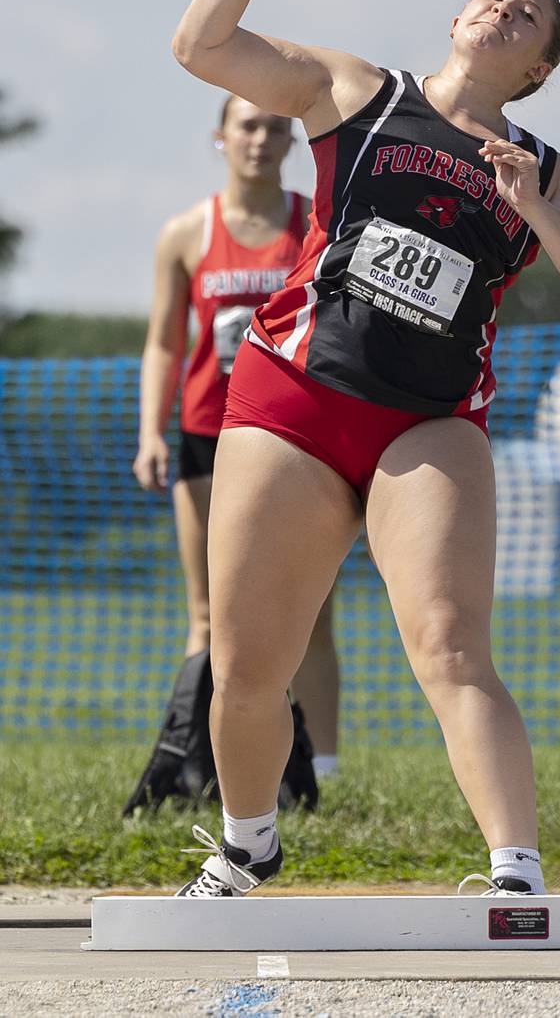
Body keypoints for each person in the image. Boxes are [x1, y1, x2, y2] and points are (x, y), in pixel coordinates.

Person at [169, 0, 560, 897]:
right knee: (250, 667)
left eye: (527, 14)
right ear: (456, 20)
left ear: (538, 69)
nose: (501, 7)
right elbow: (200, 47)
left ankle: (514, 873)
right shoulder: (360, 91)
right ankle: (248, 840)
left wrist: (535, 212)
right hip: (293, 397)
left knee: (450, 644)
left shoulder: (542, 169)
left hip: (426, 424)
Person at [124, 92, 340, 817]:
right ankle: (200, 765)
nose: (261, 138)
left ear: (291, 139)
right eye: (247, 124)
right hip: (207, 432)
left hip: (293, 436)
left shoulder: (319, 220)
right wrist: (150, 430)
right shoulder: (187, 232)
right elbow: (163, 340)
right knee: (211, 611)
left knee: (311, 614)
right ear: (221, 136)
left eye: (276, 126)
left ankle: (321, 772)